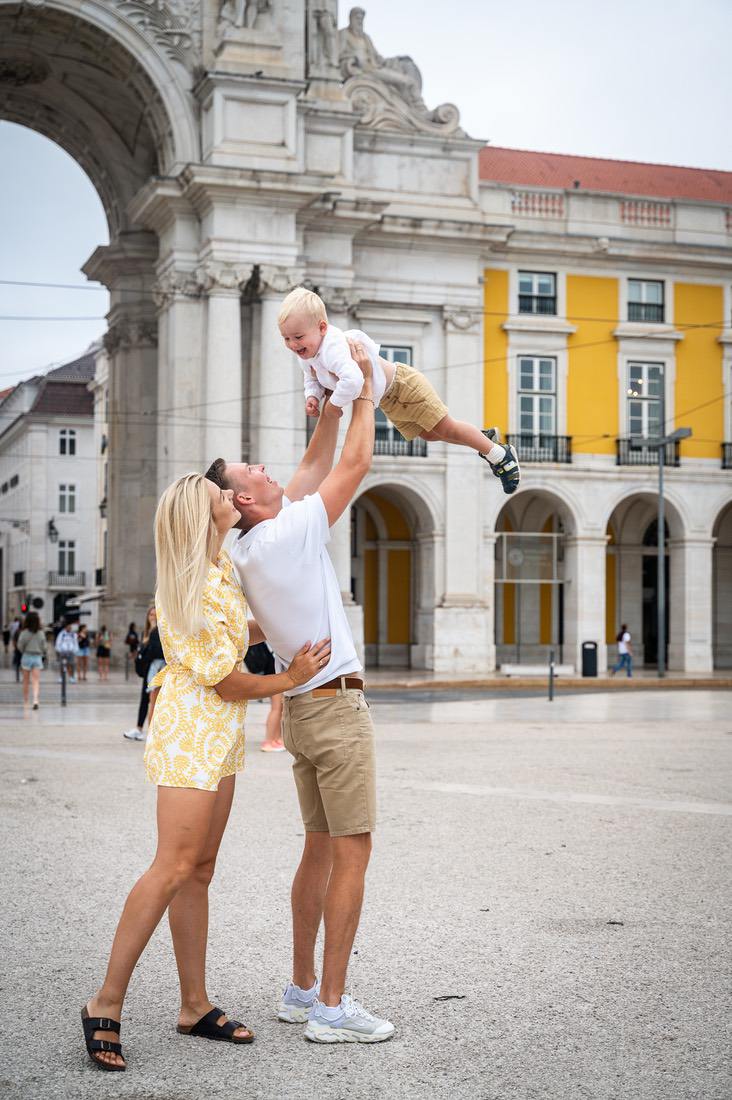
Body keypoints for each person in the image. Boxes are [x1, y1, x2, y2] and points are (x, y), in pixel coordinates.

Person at [81, 472, 329, 1072]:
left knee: (200, 870)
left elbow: (235, 634)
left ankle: (194, 1006)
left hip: (217, 736)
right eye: (222, 497)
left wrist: (276, 616)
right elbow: (226, 678)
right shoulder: (188, 581)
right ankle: (104, 1002)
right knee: (171, 867)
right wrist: (291, 679)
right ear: (204, 514)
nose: (231, 498)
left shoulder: (219, 569)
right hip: (190, 734)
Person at [206, 338, 395, 1044]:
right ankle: (333, 1008)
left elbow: (314, 462)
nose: (264, 465)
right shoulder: (283, 536)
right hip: (337, 709)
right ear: (247, 499)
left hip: (309, 713)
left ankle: (299, 987)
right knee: (351, 851)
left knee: (317, 848)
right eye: (251, 467)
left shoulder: (254, 543)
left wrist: (325, 406)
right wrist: (368, 388)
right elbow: (352, 465)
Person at [278, 285, 520, 495]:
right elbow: (311, 377)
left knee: (445, 427)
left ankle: (501, 455)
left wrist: (333, 406)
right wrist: (312, 395)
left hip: (404, 386)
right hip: (389, 399)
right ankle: (481, 438)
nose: (293, 344)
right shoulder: (307, 353)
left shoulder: (333, 347)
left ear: (322, 327)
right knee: (429, 434)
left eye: (298, 337)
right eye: (286, 338)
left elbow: (353, 380)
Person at [124, 609, 165, 742]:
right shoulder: (146, 632)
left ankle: (151, 732)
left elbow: (156, 651)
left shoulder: (159, 631)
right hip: (148, 669)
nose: (153, 617)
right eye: (151, 614)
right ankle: (139, 728)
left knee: (154, 701)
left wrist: (154, 630)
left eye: (155, 615)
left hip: (157, 670)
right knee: (144, 699)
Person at [245, 641, 285, 752]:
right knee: (277, 709)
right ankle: (269, 741)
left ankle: (276, 740)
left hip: (271, 673)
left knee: (277, 709)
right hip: (274, 674)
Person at [16, 611, 47, 710]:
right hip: (37, 657)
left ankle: (26, 700)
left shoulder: (24, 633)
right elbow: (44, 647)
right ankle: (35, 700)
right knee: (36, 681)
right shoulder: (41, 633)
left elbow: (19, 646)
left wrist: (25, 650)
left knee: (25, 681)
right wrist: (41, 651)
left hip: (26, 656)